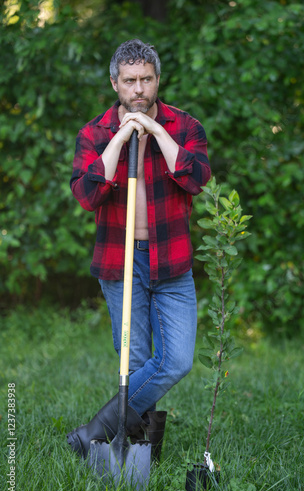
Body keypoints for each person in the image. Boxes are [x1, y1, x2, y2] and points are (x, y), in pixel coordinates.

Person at [67, 38, 211, 461]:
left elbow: (197, 179)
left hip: (173, 263)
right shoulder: (94, 134)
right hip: (121, 262)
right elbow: (87, 195)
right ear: (115, 83)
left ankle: (96, 430)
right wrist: (120, 140)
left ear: (158, 80)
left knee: (175, 361)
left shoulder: (185, 126)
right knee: (133, 362)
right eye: (129, 81)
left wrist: (157, 133)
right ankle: (142, 449)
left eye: (146, 79)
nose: (139, 90)